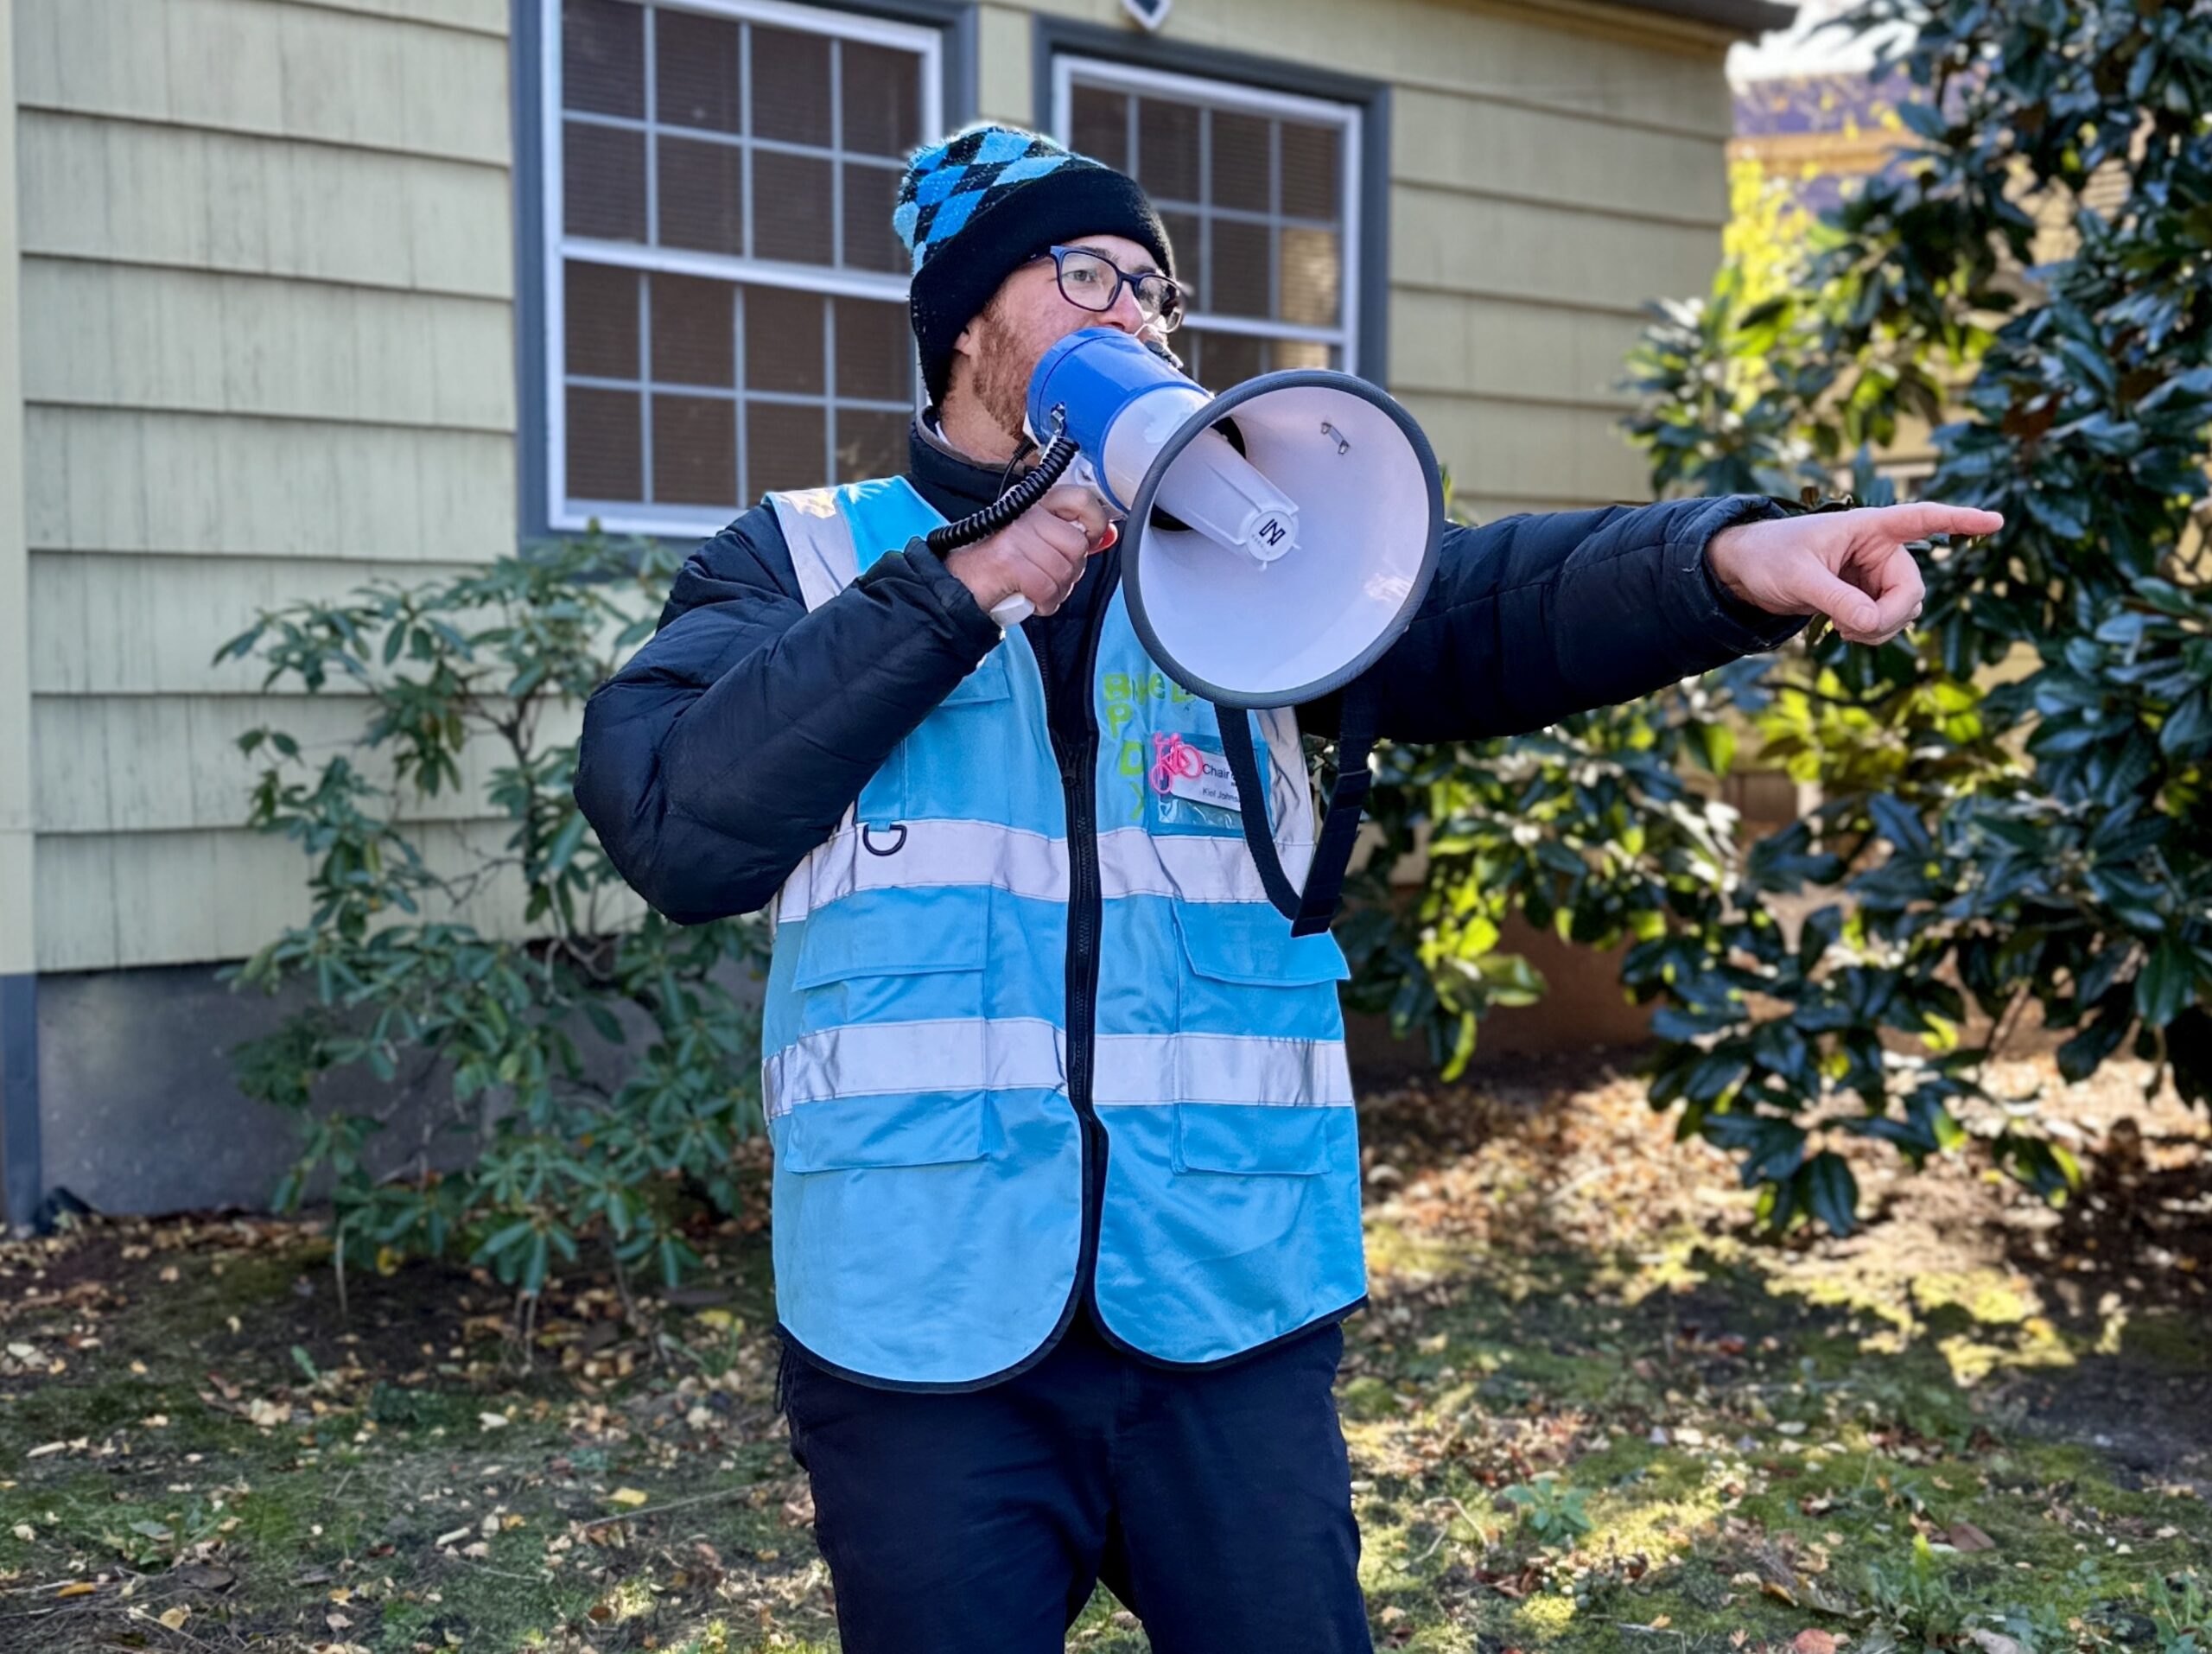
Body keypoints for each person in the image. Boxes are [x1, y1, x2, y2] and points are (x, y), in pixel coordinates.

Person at [574, 123, 2001, 1654]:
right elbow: (680, 823)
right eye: (1085, 273)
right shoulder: (795, 559)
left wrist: (1724, 561)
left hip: (1225, 1300)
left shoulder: (1254, 562)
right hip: (921, 1327)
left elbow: (1484, 598)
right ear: (968, 319)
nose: (1135, 313)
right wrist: (968, 579)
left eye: (1158, 291)